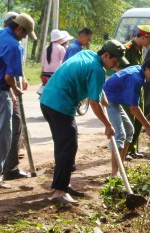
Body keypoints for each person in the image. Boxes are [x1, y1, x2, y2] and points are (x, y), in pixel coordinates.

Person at [40, 40, 128, 204]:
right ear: (106, 55)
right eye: (114, 62)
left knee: (64, 145)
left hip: (47, 101)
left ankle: (63, 184)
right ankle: (59, 192)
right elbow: (93, 104)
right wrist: (108, 125)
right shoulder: (97, 70)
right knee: (68, 146)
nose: (113, 66)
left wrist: (102, 94)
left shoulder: (87, 54)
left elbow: (86, 78)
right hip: (60, 105)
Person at [0, 13, 36, 188]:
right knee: (2, 138)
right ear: (19, 29)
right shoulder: (14, 47)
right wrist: (16, 90)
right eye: (24, 35)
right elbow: (9, 77)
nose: (24, 38)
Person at [103, 56, 150, 178]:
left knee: (129, 131)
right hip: (107, 99)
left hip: (115, 100)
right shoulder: (135, 78)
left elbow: (133, 107)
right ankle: (114, 174)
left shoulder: (139, 72)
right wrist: (147, 126)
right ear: (147, 68)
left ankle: (120, 167)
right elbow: (133, 109)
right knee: (119, 135)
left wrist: (146, 125)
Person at [121, 24, 150, 159]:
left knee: (139, 118)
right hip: (128, 89)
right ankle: (124, 151)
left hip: (138, 86)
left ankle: (133, 149)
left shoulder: (140, 49)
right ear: (143, 37)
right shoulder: (127, 48)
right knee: (130, 120)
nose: (149, 43)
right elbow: (119, 68)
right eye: (149, 40)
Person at [0, 12, 30, 180]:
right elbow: (7, 75)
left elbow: (14, 66)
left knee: (4, 129)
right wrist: (13, 90)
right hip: (5, 89)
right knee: (15, 124)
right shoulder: (12, 44)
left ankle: (7, 163)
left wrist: (23, 76)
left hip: (4, 87)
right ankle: (10, 167)